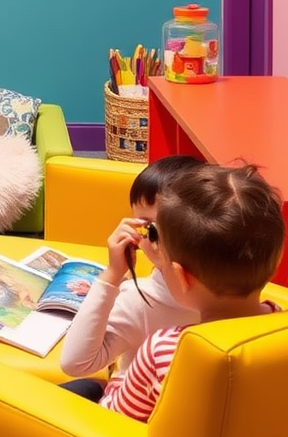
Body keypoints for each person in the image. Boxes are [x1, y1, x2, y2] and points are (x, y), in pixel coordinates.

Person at [99, 162, 286, 422]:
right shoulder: (286, 329)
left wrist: (117, 382)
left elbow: (112, 420)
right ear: (276, 262)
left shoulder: (161, 350)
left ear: (181, 275)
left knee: (80, 389)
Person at [59, 155, 204, 399]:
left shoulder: (139, 301)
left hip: (125, 408)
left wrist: (112, 275)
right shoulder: (234, 290)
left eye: (148, 228)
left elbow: (75, 363)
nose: (139, 237)